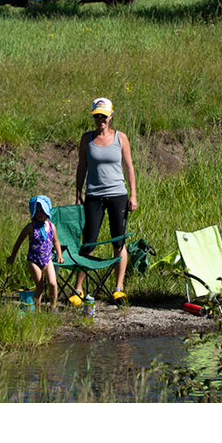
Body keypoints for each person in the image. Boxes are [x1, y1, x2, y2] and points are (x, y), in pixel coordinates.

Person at [70, 97, 137, 304]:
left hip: (118, 194)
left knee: (119, 241)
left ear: (111, 117)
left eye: (104, 116)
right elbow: (82, 166)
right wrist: (78, 193)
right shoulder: (86, 139)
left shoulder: (120, 138)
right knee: (89, 242)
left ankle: (119, 287)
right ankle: (78, 289)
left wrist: (133, 194)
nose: (101, 120)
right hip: (93, 195)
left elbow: (129, 167)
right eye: (97, 116)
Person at [7, 195, 64, 310]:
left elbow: (56, 242)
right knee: (40, 286)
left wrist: (60, 255)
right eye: (37, 211)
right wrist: (12, 256)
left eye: (42, 210)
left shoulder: (51, 227)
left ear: (47, 211)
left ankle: (53, 307)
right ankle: (37, 311)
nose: (39, 213)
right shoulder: (30, 227)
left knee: (53, 283)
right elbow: (19, 242)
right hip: (33, 261)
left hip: (47, 260)